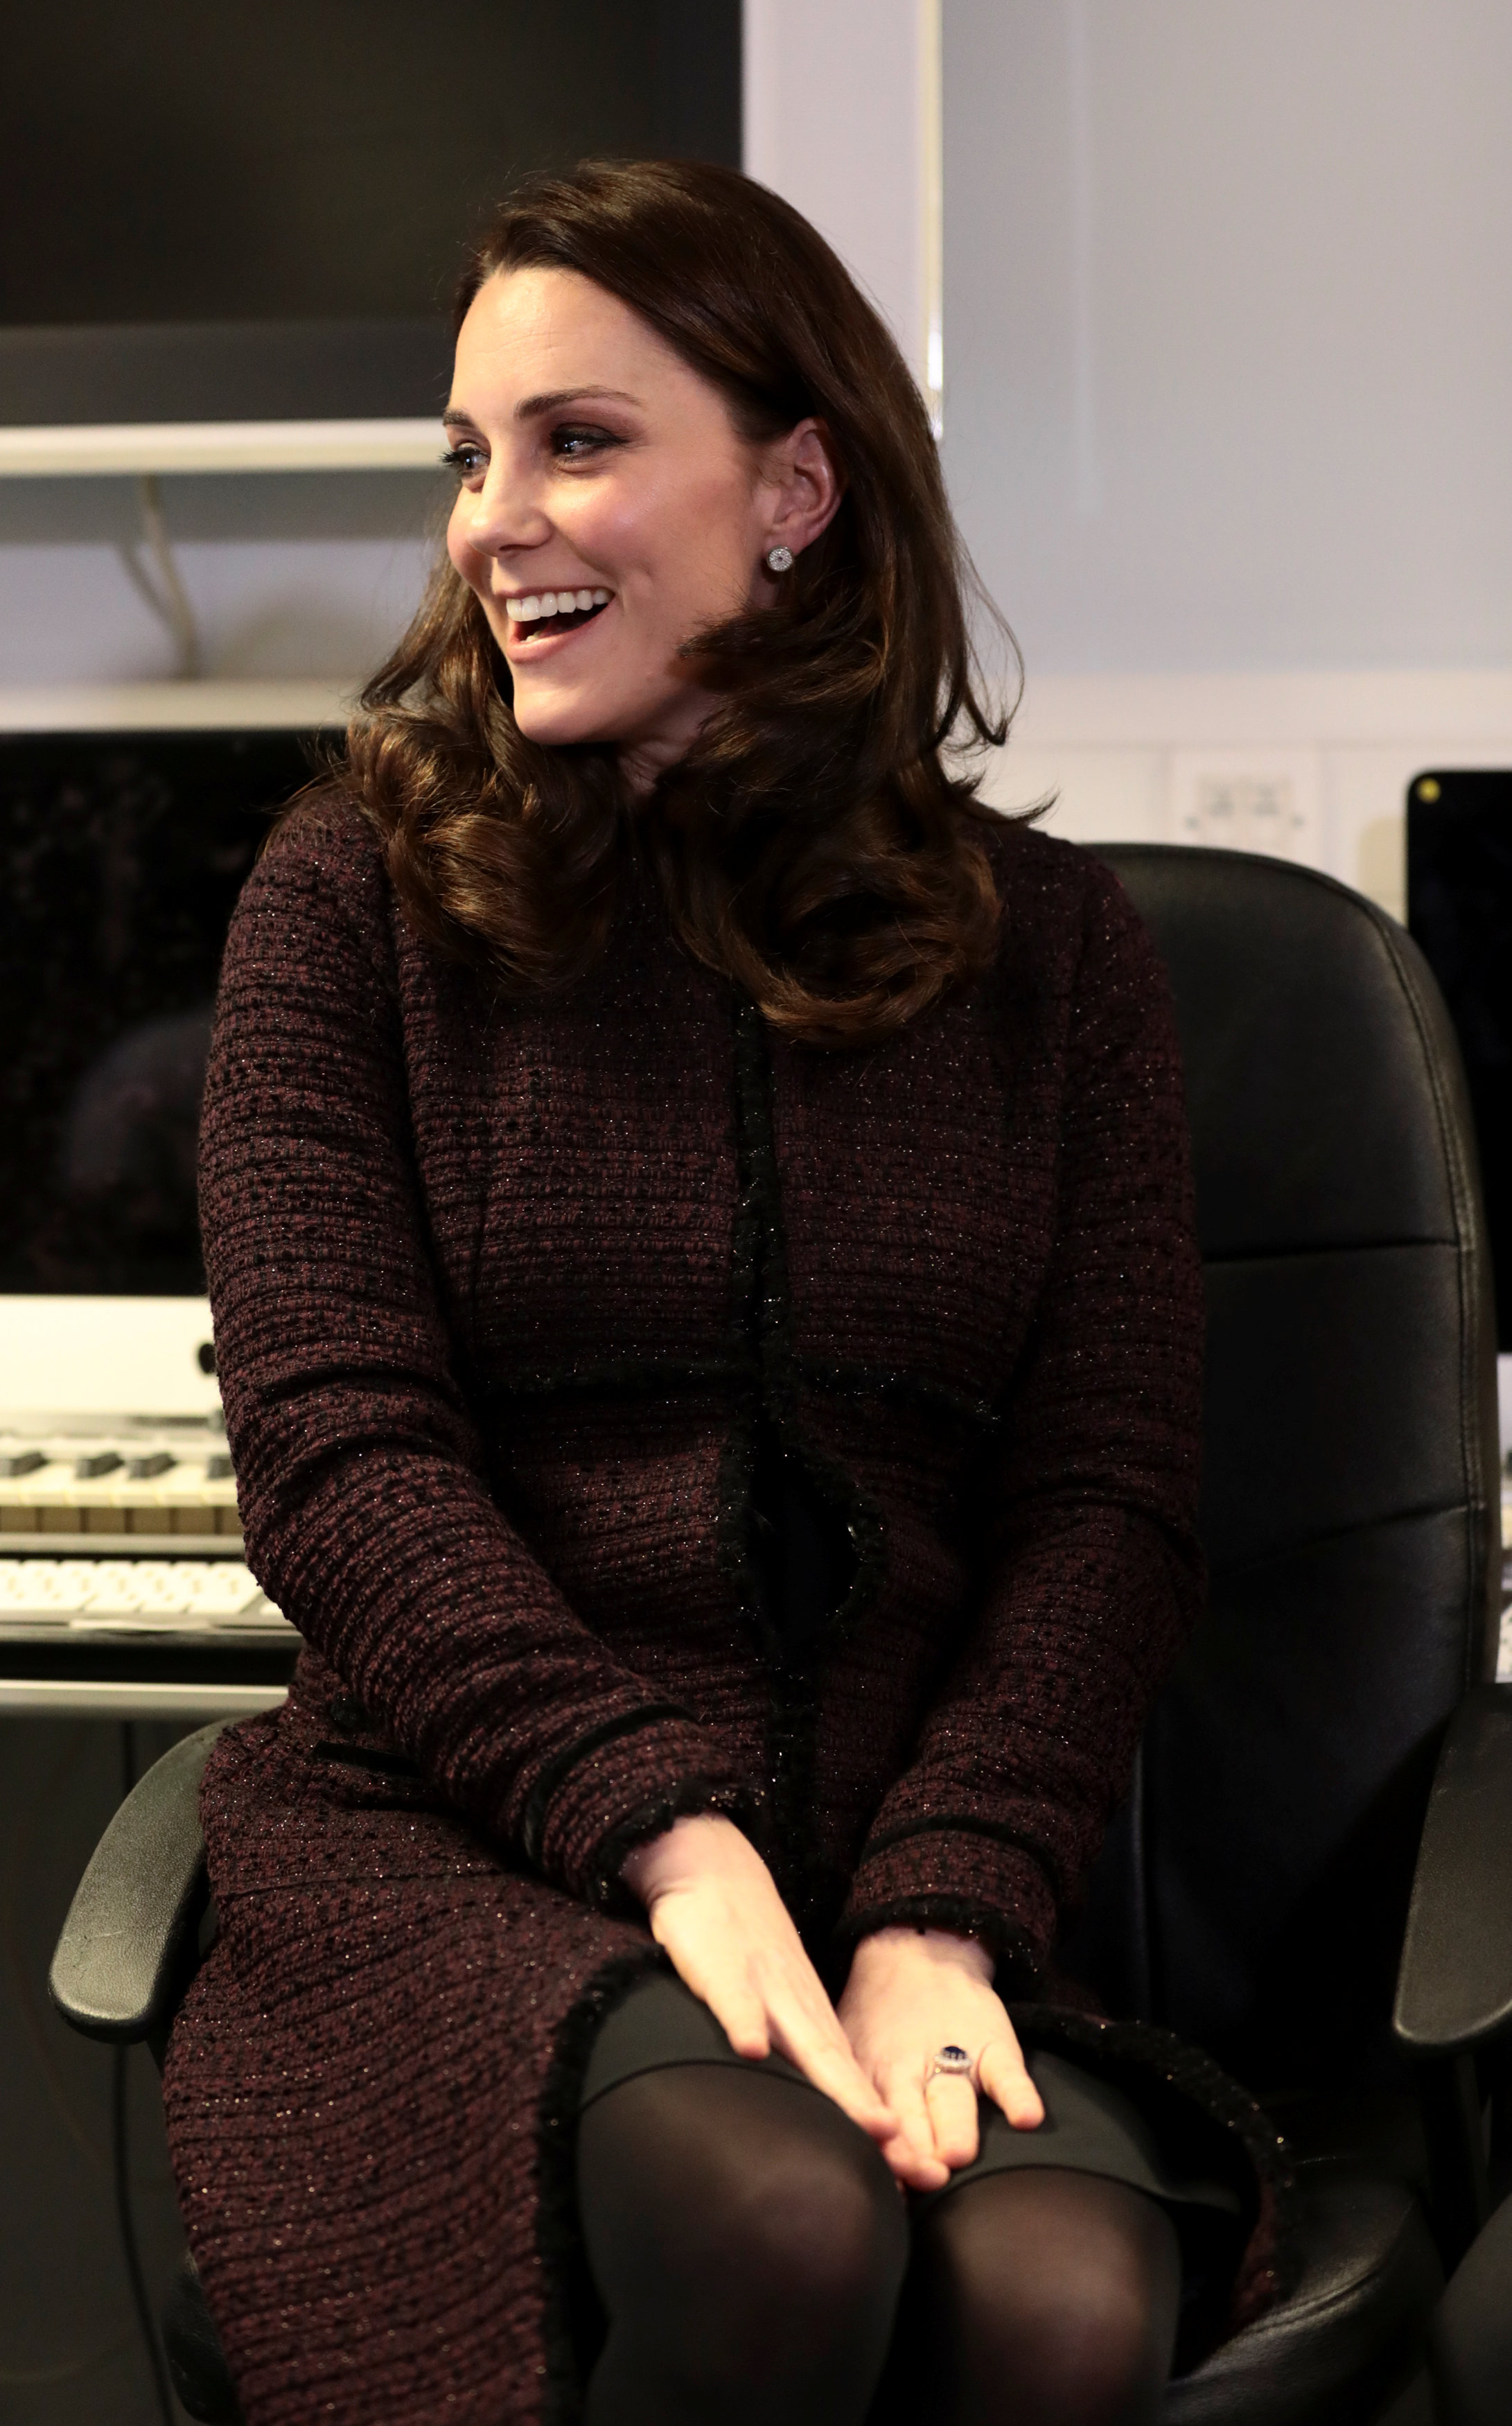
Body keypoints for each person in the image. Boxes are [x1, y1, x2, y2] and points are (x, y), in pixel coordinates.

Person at [163, 159, 1292, 2426]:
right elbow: (334, 1449)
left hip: (891, 1870)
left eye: (578, 440)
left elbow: (1110, 1504)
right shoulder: (345, 900)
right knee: (778, 2215)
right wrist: (662, 1837)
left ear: (796, 487)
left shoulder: (1053, 962)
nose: (495, 518)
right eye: (471, 455)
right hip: (463, 1866)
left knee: (1062, 2303)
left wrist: (943, 1900)